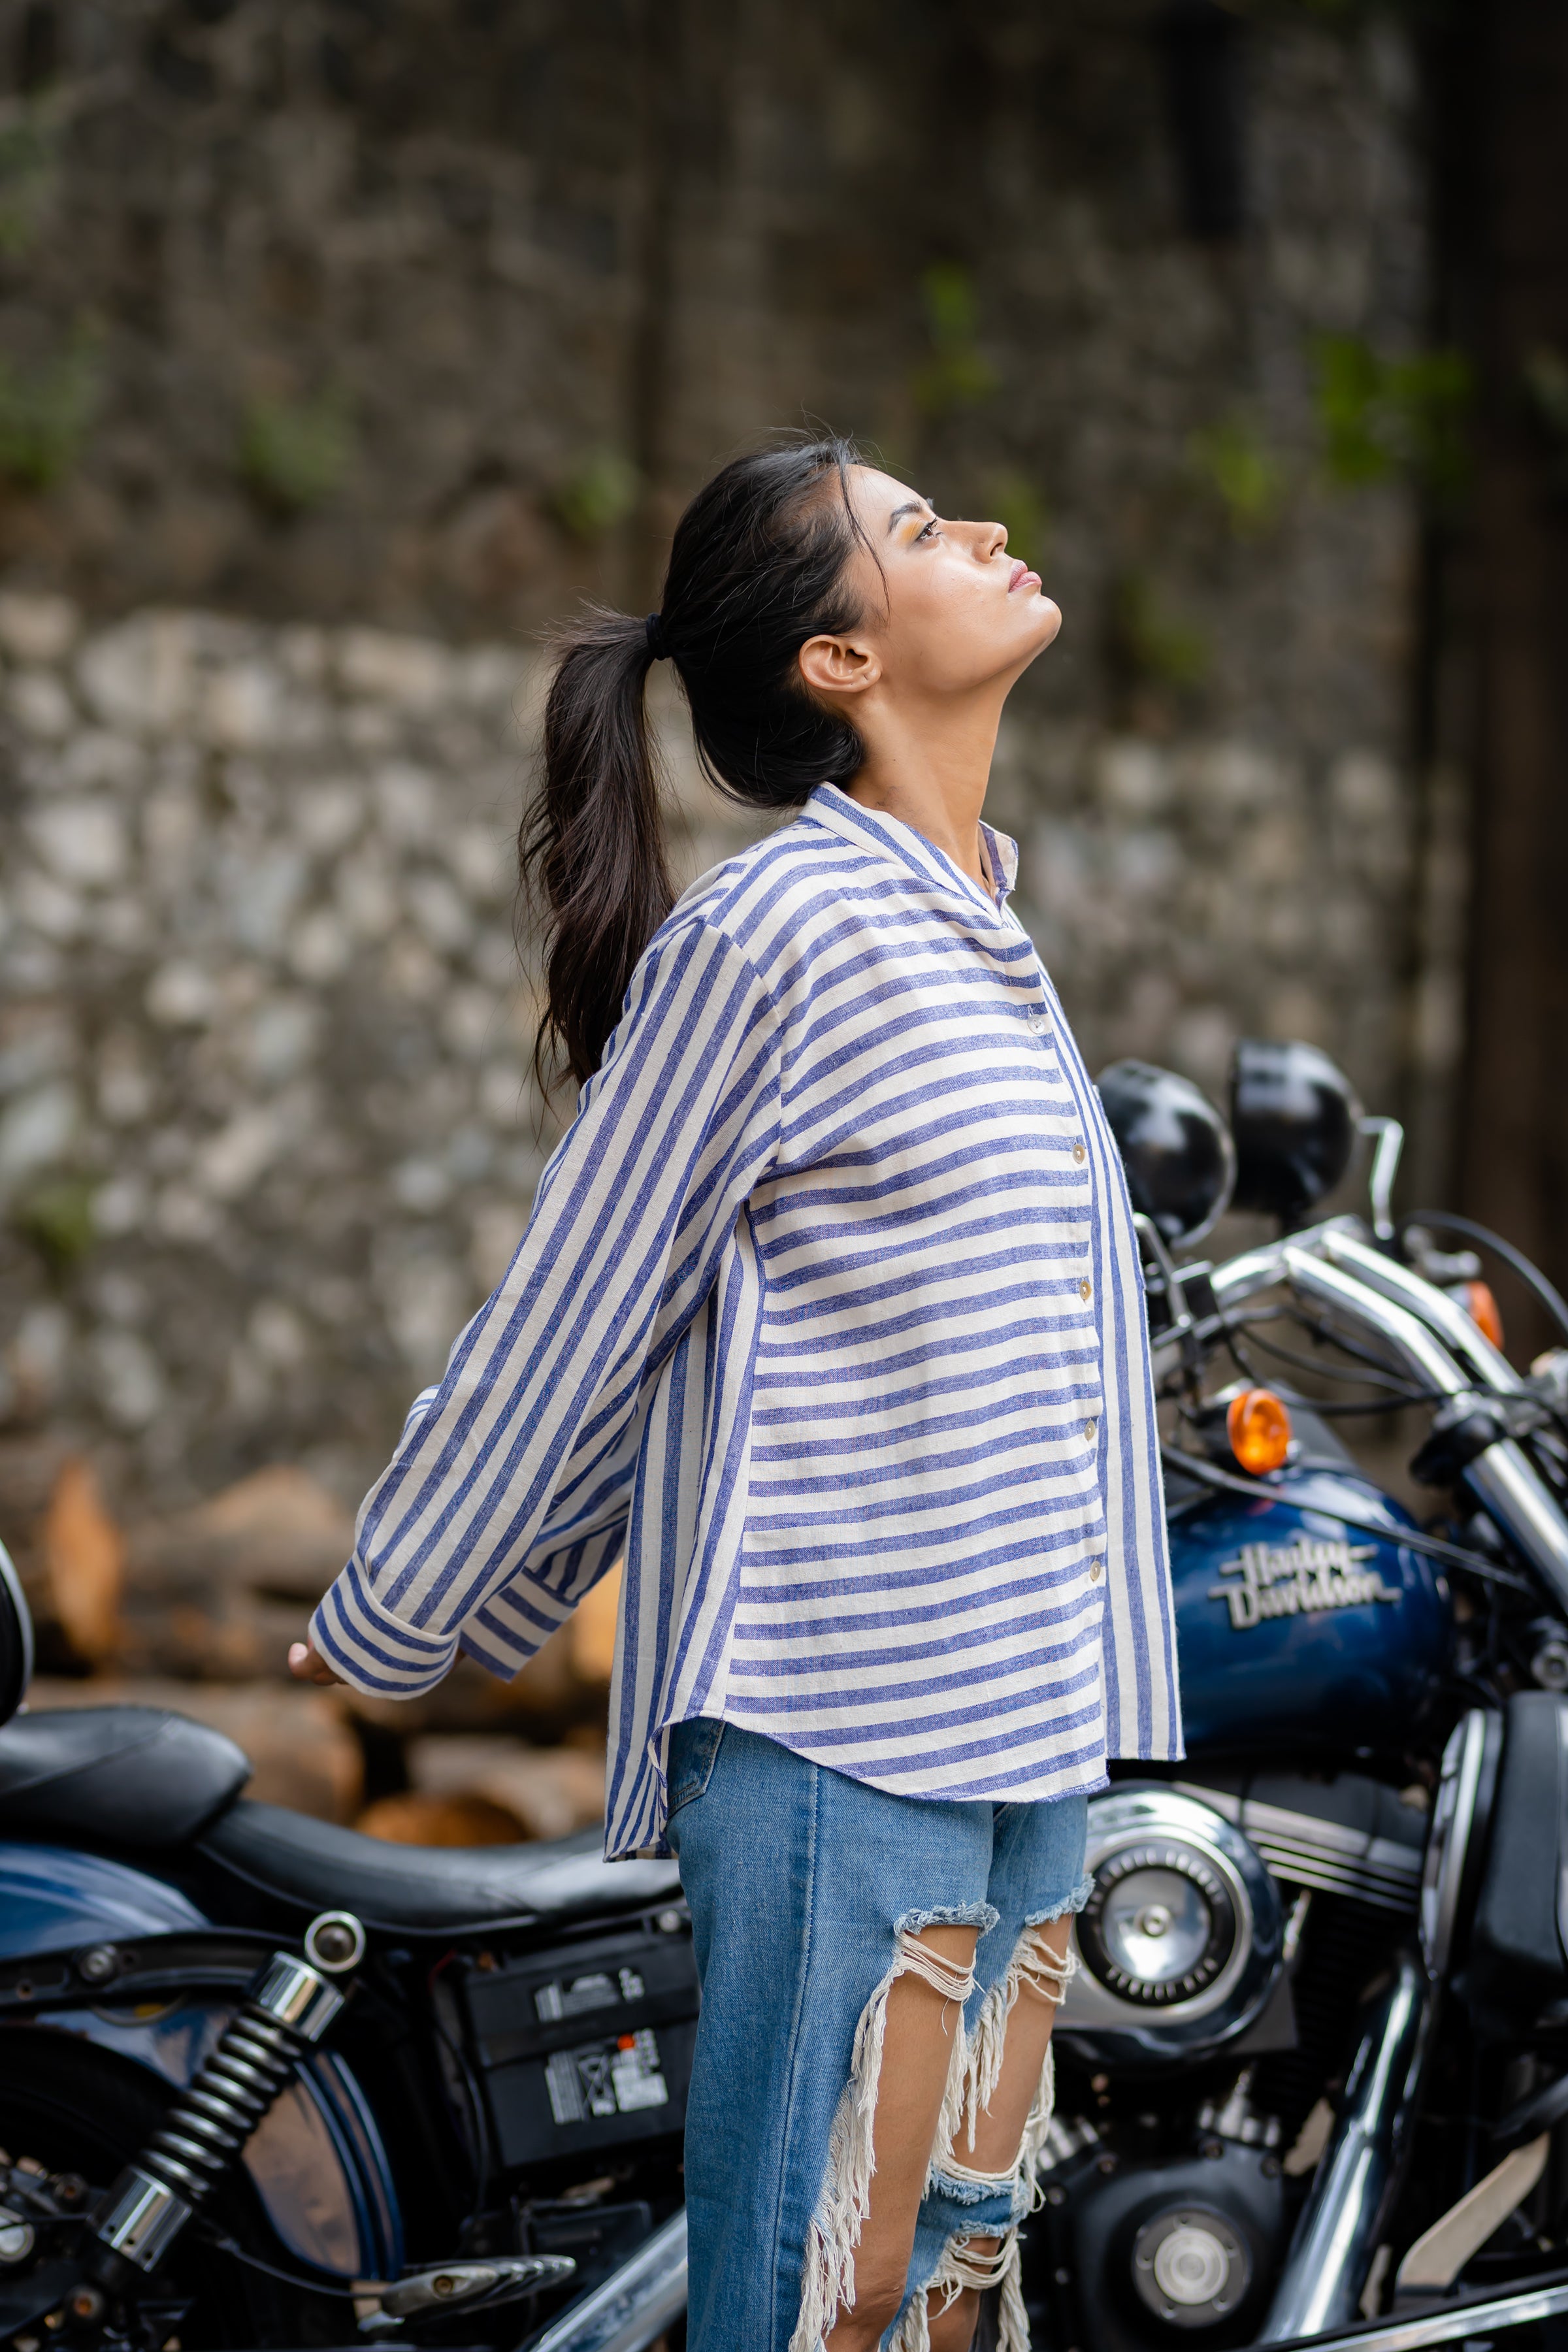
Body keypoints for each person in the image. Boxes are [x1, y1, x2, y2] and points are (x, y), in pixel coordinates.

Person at [291, 437, 1179, 2352]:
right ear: (839, 662)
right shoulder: (773, 934)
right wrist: (397, 1606)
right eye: (926, 530)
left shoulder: (984, 938)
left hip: (1026, 1727)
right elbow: (584, 1304)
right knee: (811, 2291)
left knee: (949, 2275)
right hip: (839, 1737)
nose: (994, 530)